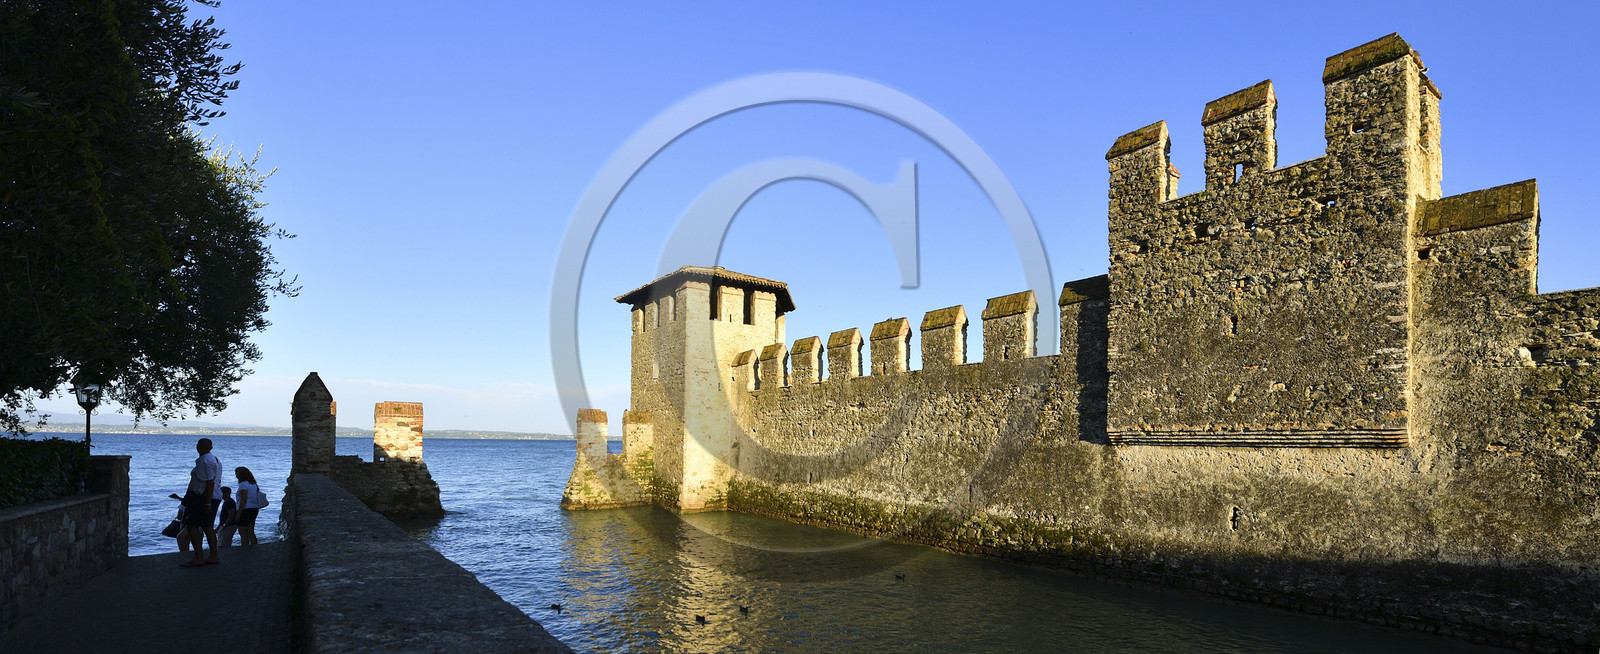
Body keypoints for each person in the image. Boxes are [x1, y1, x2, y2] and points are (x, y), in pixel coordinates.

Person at [180, 438, 222, 567]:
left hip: (202, 498)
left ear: (198, 447)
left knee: (192, 526)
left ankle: (199, 556)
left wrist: (207, 503)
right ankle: (213, 555)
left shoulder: (205, 461)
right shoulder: (215, 460)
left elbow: (209, 482)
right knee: (207, 526)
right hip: (212, 496)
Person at [233, 467, 264, 546]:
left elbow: (243, 500)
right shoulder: (254, 484)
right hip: (254, 508)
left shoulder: (243, 485)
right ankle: (254, 547)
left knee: (243, 532)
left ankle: (245, 549)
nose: (236, 475)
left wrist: (238, 514)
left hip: (245, 509)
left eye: (236, 473)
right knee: (251, 531)